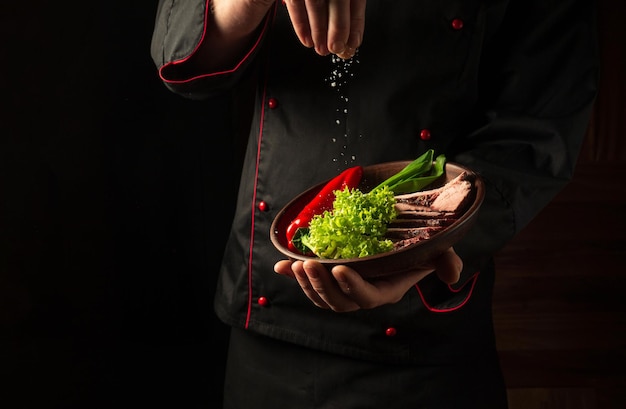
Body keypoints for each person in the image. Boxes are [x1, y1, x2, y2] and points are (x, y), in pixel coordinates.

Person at [150, 0, 598, 407]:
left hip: (422, 340)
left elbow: (538, 133)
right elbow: (178, 52)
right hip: (270, 327)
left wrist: (423, 249)